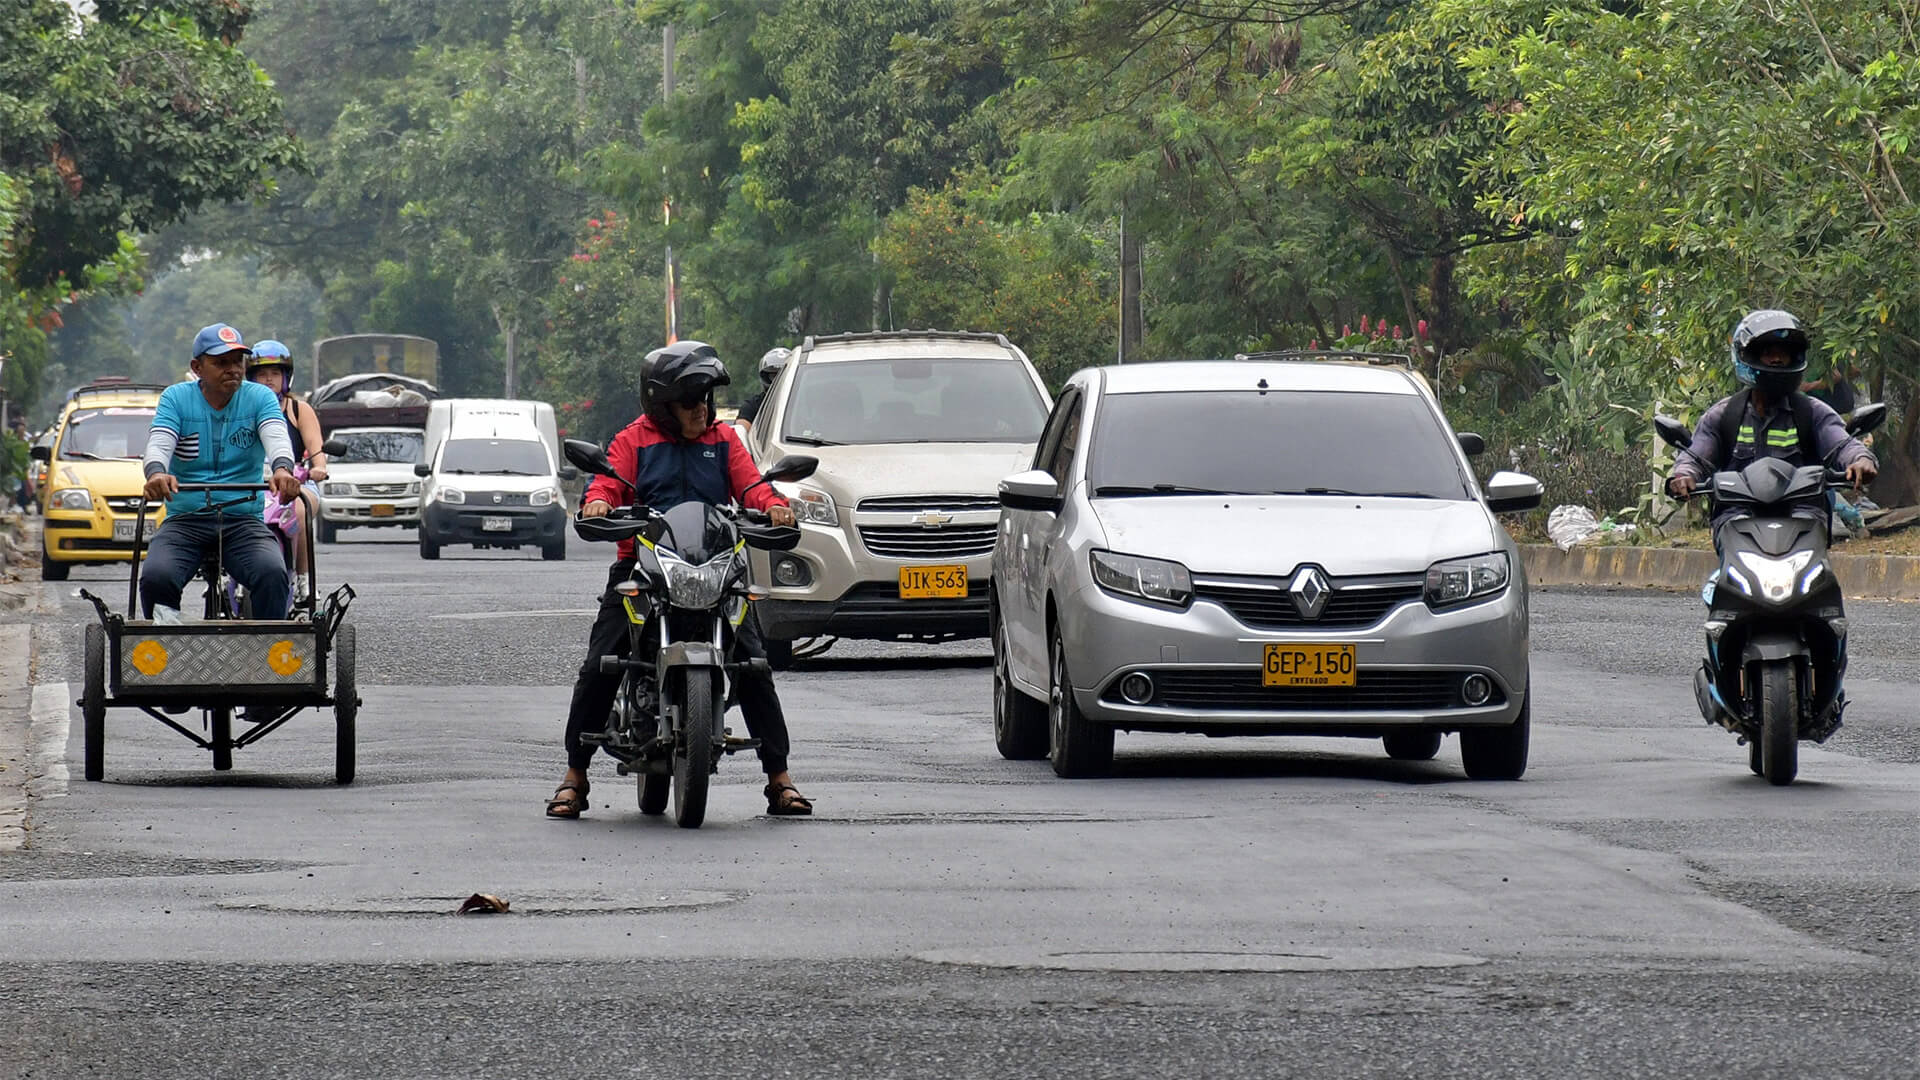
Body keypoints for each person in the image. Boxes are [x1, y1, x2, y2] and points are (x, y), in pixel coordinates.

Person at [547, 340, 810, 819]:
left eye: (706, 399)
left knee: (753, 663)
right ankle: (574, 777)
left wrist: (772, 506)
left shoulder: (724, 441)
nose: (701, 410)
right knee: (601, 661)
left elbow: (752, 484)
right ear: (662, 405)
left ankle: (780, 780)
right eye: (691, 401)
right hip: (643, 568)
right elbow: (608, 482)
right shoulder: (634, 440)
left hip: (715, 566)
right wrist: (598, 501)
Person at [1666, 309, 1876, 544]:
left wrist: (1860, 460)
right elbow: (1696, 456)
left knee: (1823, 580)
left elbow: (1842, 443)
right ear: (1747, 357)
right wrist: (1684, 475)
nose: (1777, 359)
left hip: (1803, 517)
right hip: (1737, 519)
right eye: (1768, 353)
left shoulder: (1812, 412)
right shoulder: (1724, 415)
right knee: (1718, 582)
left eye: (1783, 353)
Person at [140, 324, 301, 620]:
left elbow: (277, 437)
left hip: (242, 520)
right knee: (156, 577)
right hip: (185, 520)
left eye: (237, 362)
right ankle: (159, 653)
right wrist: (156, 473)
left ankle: (270, 655)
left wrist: (282, 469)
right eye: (220, 362)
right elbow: (160, 443)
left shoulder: (260, 398)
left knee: (272, 573)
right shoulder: (175, 398)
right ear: (197, 367)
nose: (232, 370)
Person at [247, 341, 327, 588]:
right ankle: (222, 577)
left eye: (275, 373)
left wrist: (318, 468)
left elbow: (316, 449)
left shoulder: (297, 408)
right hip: (251, 483)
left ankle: (303, 579)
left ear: (286, 377)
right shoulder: (242, 409)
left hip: (296, 483)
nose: (269, 379)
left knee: (300, 510)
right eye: (262, 374)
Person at [733, 347, 791, 433]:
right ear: (765, 376)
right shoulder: (752, 406)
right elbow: (740, 433)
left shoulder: (804, 405)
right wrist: (742, 433)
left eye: (784, 375)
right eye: (774, 376)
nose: (779, 381)